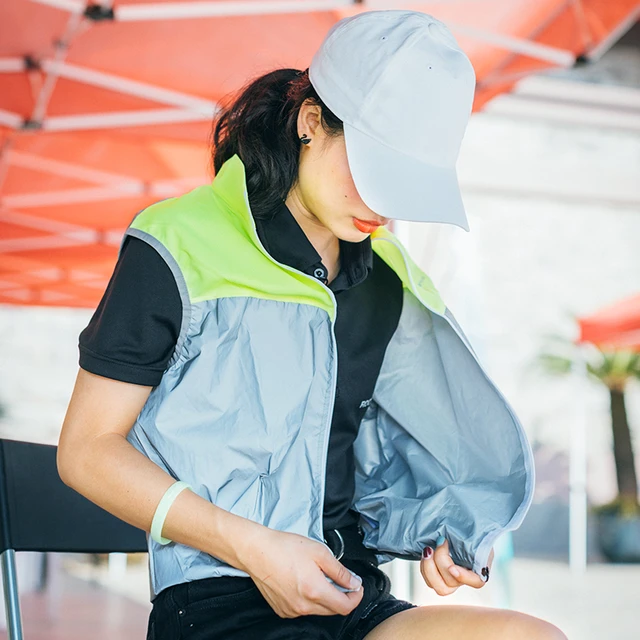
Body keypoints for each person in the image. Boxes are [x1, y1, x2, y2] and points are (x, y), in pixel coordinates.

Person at [58, 9, 567, 640]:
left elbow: (386, 467)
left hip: (353, 598)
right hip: (217, 602)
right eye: (373, 171)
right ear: (310, 122)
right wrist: (252, 547)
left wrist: (444, 530)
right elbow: (86, 451)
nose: (382, 204)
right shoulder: (176, 242)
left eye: (405, 184)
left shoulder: (388, 283)